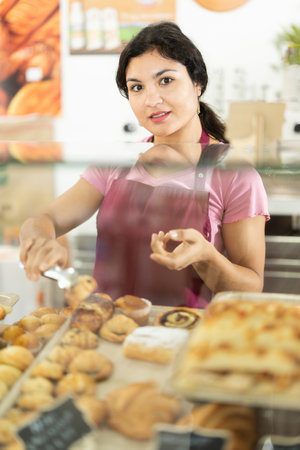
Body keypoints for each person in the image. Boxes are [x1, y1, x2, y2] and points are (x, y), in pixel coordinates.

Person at [19, 21, 269, 308]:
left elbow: (251, 289)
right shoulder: (118, 161)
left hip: (187, 339)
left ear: (197, 83)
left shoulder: (234, 174)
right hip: (108, 333)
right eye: (137, 87)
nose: (151, 99)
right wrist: (41, 241)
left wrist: (207, 257)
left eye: (166, 80)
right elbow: (42, 221)